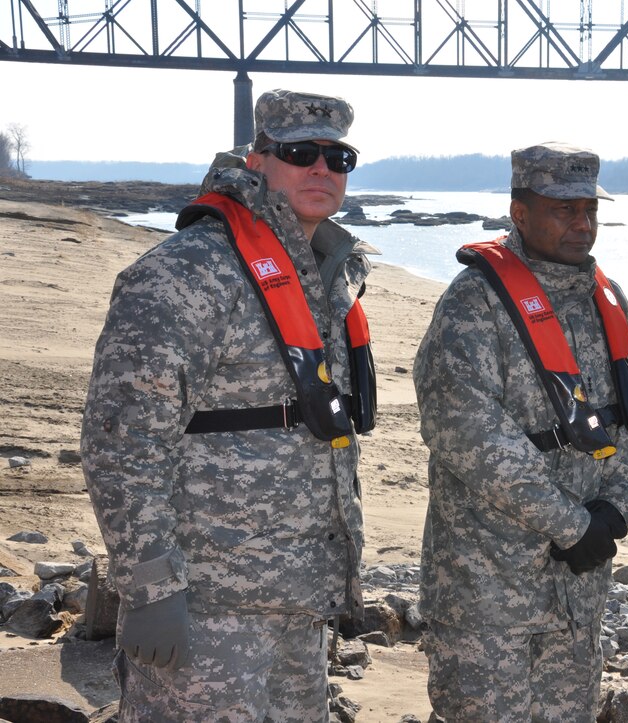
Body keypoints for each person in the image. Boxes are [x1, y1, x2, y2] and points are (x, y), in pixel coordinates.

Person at [81, 88, 377, 722]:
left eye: (339, 156)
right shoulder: (187, 271)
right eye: (301, 152)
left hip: (302, 610)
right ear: (258, 159)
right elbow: (122, 441)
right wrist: (152, 587)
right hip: (206, 612)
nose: (322, 168)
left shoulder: (329, 278)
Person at [412, 141, 628, 722]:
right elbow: (468, 435)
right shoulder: (474, 305)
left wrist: (614, 511)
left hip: (578, 588)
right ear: (519, 214)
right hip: (487, 585)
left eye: (589, 210)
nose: (582, 224)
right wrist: (573, 525)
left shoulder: (608, 300)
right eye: (563, 209)